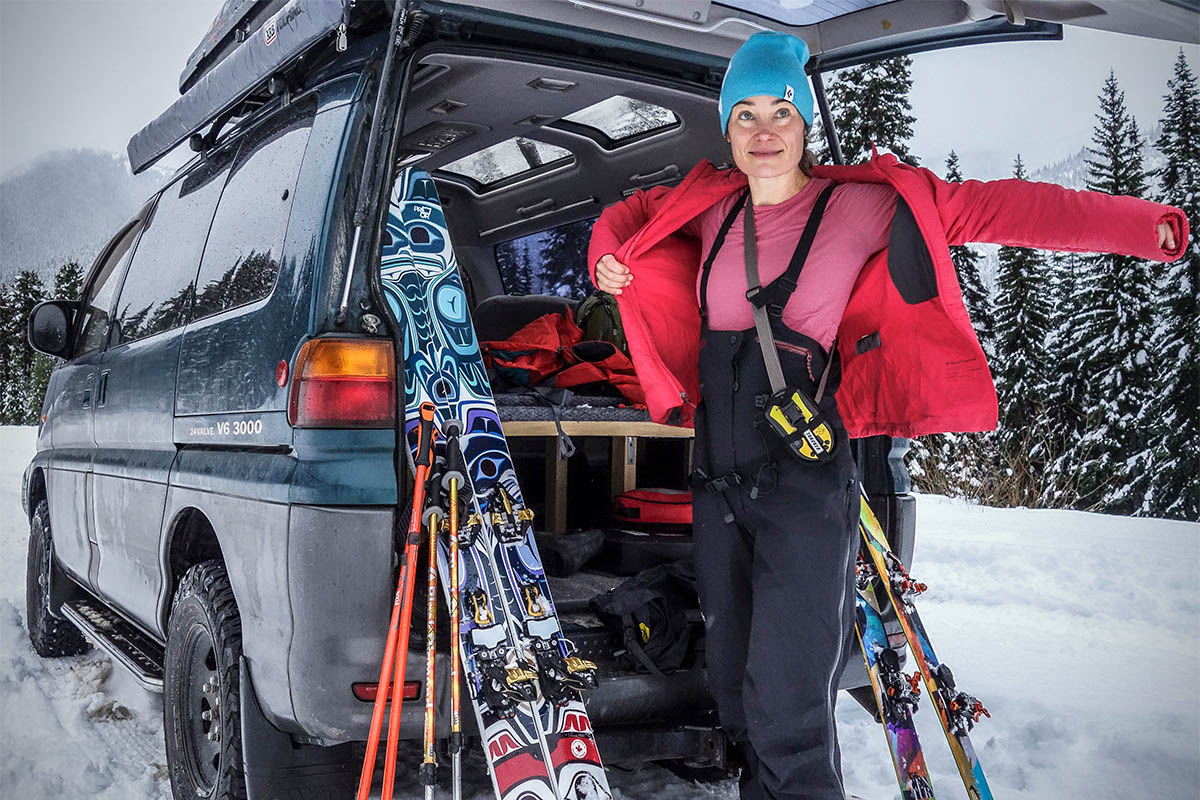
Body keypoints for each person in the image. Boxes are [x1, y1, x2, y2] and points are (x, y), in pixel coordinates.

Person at [587, 31, 1187, 800]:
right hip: (717, 484)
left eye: (781, 111)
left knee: (789, 704)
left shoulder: (860, 206)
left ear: (806, 122)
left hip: (803, 485)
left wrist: (1144, 229)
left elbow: (1004, 206)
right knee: (735, 690)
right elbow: (628, 216)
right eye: (745, 115)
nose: (764, 131)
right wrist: (609, 253)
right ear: (727, 128)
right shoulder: (710, 210)